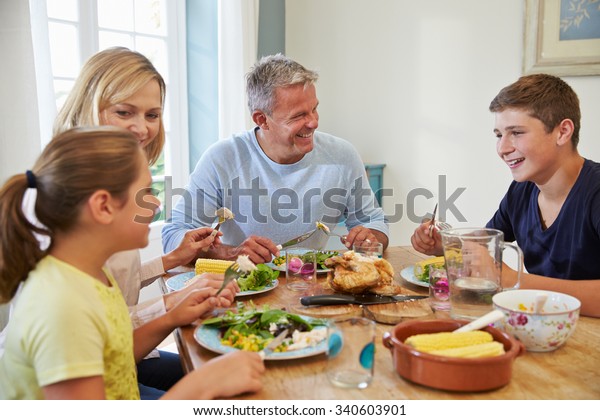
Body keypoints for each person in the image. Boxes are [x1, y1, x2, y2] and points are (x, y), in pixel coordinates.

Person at [16, 47, 236, 398]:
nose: (142, 128)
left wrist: (171, 266)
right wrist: (170, 305)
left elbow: (113, 312)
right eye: (124, 111)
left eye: (152, 114)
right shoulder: (62, 295)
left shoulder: (84, 270)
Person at [0, 127, 264, 399]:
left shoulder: (92, 272)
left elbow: (115, 355)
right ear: (103, 206)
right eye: (146, 192)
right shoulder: (63, 306)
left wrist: (173, 317)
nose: (156, 205)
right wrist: (202, 385)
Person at [162, 54, 389, 263]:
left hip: (310, 287)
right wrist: (231, 253)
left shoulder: (342, 155)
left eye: (314, 109)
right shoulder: (222, 158)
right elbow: (173, 234)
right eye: (299, 115)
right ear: (262, 119)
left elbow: (375, 222)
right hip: (244, 290)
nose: (313, 122)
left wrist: (370, 237)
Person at [410, 74, 600, 318]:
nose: (503, 149)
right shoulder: (521, 191)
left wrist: (512, 279)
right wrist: (446, 245)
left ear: (562, 132)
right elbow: (487, 246)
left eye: (517, 133)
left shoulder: (595, 192)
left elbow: (503, 275)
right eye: (499, 135)